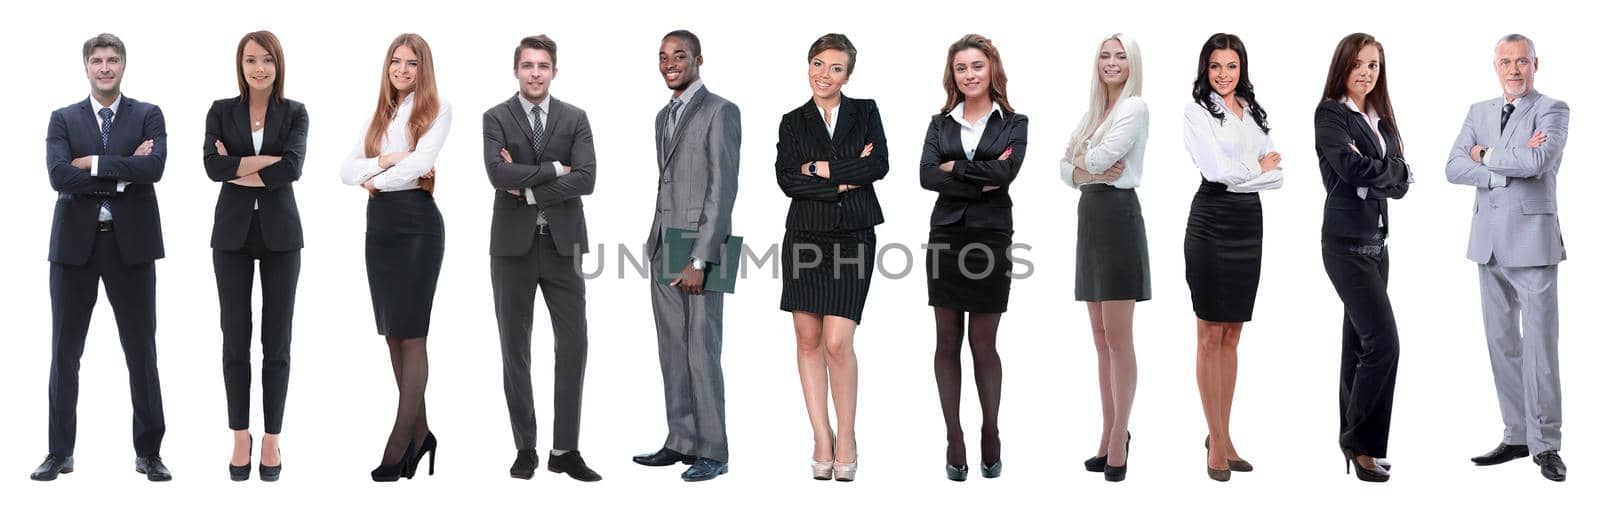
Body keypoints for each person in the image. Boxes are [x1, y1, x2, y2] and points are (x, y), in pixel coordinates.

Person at [34, 33, 172, 483]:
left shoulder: (148, 115)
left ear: (124, 65)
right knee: (64, 353)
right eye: (98, 61)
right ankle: (59, 452)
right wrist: (120, 173)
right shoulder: (62, 119)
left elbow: (154, 169)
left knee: (141, 352)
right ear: (86, 67)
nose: (105, 68)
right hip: (74, 249)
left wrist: (90, 163)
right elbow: (58, 176)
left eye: (113, 60)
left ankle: (149, 452)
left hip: (130, 247)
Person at [1445, 33, 1569, 483]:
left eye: (1521, 62)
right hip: (1488, 243)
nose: (1513, 70)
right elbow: (1453, 166)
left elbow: (1538, 161)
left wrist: (1486, 154)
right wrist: (1499, 169)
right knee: (1502, 345)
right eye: (1505, 62)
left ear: (1536, 63)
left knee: (1540, 348)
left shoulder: (1553, 109)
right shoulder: (1478, 111)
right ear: (1495, 66)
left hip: (1533, 242)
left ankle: (1546, 443)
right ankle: (1517, 435)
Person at [482, 34, 601, 482]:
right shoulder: (495, 116)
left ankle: (565, 450)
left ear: (554, 71)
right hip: (511, 249)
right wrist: (555, 169)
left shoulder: (576, 118)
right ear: (516, 70)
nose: (535, 73)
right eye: (528, 65)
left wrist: (527, 186)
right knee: (515, 348)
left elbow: (588, 179)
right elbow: (496, 173)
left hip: (562, 245)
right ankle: (525, 448)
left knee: (574, 345)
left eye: (543, 66)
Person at [774, 33, 887, 482]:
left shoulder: (866, 112)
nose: (824, 75)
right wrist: (844, 177)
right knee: (807, 339)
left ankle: (849, 436)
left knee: (838, 343)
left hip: (854, 234)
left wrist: (819, 169)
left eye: (835, 68)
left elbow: (878, 165)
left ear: (848, 74)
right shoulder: (792, 121)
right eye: (818, 64)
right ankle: (821, 437)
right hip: (804, 236)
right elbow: (787, 179)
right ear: (808, 66)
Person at [338, 33, 451, 482]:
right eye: (396, 62)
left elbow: (418, 165)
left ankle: (398, 443)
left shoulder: (437, 110)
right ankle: (422, 435)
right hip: (379, 229)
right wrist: (382, 160)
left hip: (417, 227)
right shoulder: (381, 113)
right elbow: (346, 170)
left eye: (411, 63)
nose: (402, 70)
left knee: (413, 336)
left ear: (423, 69)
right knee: (391, 335)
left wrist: (377, 177)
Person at [632, 29, 741, 483]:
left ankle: (713, 450)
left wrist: (700, 258)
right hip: (664, 240)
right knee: (672, 350)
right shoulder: (663, 115)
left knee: (703, 349)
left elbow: (724, 187)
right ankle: (681, 441)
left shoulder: (721, 110)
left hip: (704, 244)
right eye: (663, 56)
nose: (669, 62)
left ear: (699, 59)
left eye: (679, 55)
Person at [919, 33, 1027, 482]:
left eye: (977, 66)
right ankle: (954, 437)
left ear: (992, 70)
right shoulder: (939, 123)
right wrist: (977, 177)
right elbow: (926, 176)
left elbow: (1005, 174)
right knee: (946, 342)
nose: (970, 75)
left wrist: (954, 169)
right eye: (961, 68)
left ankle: (990, 431)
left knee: (983, 343)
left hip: (990, 237)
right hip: (946, 236)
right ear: (954, 75)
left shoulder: (1014, 122)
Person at [202, 30, 307, 483]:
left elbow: (294, 167)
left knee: (277, 341)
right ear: (239, 66)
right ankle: (241, 434)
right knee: (235, 338)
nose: (259, 67)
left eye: (267, 60)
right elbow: (211, 166)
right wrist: (267, 163)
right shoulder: (220, 111)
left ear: (278, 64)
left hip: (282, 236)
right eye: (250, 60)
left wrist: (237, 163)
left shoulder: (295, 112)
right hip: (231, 236)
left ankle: (272, 438)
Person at [1180, 32, 1280, 483]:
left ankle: (1223, 432)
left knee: (1233, 336)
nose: (1224, 75)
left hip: (1248, 224)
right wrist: (1255, 170)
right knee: (1208, 334)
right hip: (1211, 221)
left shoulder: (1254, 111)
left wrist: (1256, 173)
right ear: (1206, 69)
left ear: (1242, 69)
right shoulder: (1196, 112)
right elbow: (1215, 173)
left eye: (1232, 66)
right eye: (1216, 67)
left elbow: (1276, 176)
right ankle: (1216, 440)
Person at [1314, 32, 1411, 483]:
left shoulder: (1380, 118)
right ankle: (1357, 443)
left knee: (1359, 345)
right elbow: (1349, 170)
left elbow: (1403, 180)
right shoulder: (1331, 113)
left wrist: (1385, 174)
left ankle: (1359, 443)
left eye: (1373, 65)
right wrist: (1385, 173)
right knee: (1385, 343)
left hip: (1378, 245)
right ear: (1343, 66)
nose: (1366, 73)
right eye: (1359, 64)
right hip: (1345, 244)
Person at [1058, 33, 1148, 483]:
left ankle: (1119, 436)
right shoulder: (1096, 112)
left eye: (1120, 56)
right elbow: (1065, 166)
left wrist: (1082, 160)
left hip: (1117, 219)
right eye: (1104, 56)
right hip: (1090, 217)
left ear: (1132, 64)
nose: (1112, 63)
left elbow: (1103, 157)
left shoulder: (1133, 108)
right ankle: (1107, 431)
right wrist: (1082, 165)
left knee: (1118, 337)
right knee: (1098, 336)